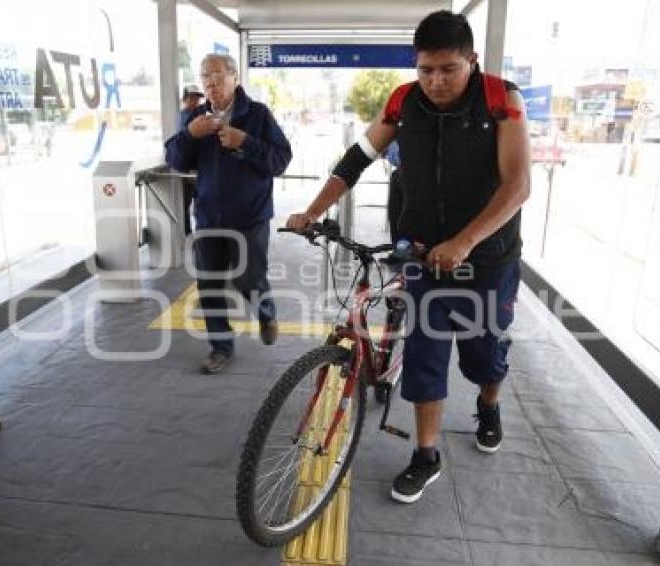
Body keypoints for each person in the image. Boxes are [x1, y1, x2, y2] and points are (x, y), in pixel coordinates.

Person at [286, 10, 530, 503]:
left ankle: (488, 405)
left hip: (488, 260)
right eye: (426, 70)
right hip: (423, 255)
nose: (436, 81)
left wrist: (466, 240)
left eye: (448, 69)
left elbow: (518, 184)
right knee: (425, 357)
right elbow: (357, 159)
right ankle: (425, 454)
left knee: (484, 358)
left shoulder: (501, 100)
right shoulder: (403, 101)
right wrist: (312, 210)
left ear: (472, 61)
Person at [166, 54, 292, 374]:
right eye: (206, 77)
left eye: (219, 76)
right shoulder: (195, 117)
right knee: (209, 285)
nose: (212, 83)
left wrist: (246, 142)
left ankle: (266, 313)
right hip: (209, 217)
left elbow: (280, 159)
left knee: (247, 277)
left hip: (251, 215)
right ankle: (220, 348)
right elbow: (176, 160)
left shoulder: (257, 114)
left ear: (235, 78)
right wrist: (189, 134)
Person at [179, 84, 205, 236]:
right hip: (186, 169)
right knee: (184, 203)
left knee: (199, 202)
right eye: (192, 97)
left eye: (197, 98)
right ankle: (187, 234)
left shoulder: (201, 116)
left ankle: (198, 234)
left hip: (198, 168)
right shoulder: (182, 117)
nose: (195, 101)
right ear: (184, 99)